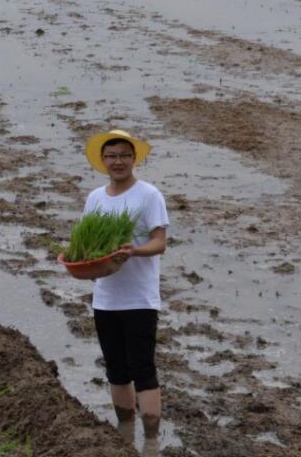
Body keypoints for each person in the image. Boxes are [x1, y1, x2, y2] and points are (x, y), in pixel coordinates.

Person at [80, 129, 170, 445]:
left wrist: (133, 250)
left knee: (143, 369)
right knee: (116, 370)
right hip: (106, 300)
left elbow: (160, 242)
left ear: (134, 159)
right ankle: (125, 436)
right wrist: (86, 265)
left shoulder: (148, 195)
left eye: (124, 155)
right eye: (111, 156)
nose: (118, 161)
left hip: (140, 299)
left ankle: (152, 441)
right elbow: (88, 246)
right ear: (102, 161)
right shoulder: (95, 198)